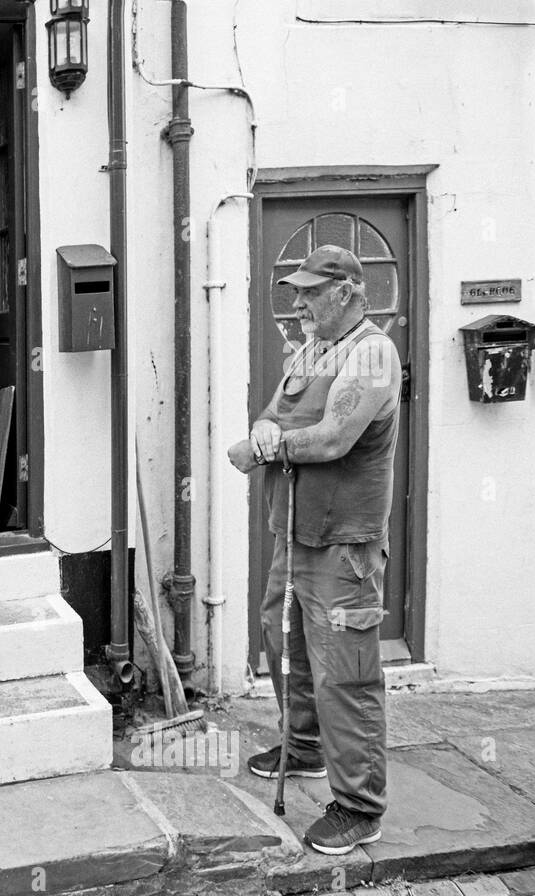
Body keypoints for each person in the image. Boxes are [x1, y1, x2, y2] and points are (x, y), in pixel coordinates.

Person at [227, 245, 402, 855]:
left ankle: (359, 806)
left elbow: (331, 439)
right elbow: (271, 418)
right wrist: (262, 433)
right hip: (294, 536)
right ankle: (302, 748)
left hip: (343, 549)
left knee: (345, 676)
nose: (297, 302)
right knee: (284, 643)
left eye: (309, 292)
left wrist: (264, 450)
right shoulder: (309, 351)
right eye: (295, 290)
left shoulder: (373, 354)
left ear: (349, 291)